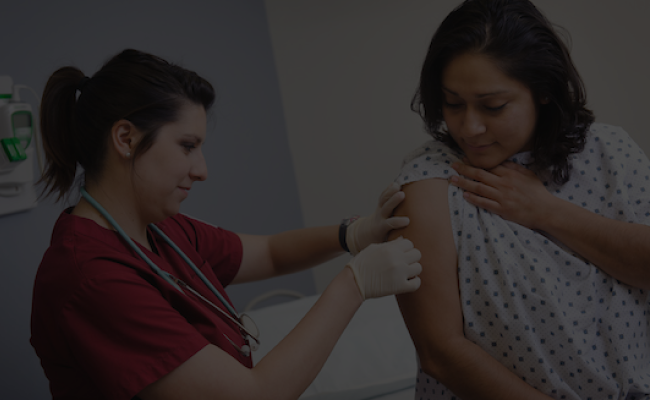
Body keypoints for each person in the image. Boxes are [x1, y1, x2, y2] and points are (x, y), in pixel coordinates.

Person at [30, 49, 423, 400]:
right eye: (187, 146)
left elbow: (268, 253)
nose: (202, 170)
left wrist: (352, 234)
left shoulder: (163, 231)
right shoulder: (90, 278)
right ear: (125, 138)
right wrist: (353, 285)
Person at [389, 0, 650, 399]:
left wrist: (549, 212)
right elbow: (441, 352)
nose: (470, 127)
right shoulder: (429, 182)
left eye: (493, 106)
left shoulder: (608, 151)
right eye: (453, 104)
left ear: (543, 92)